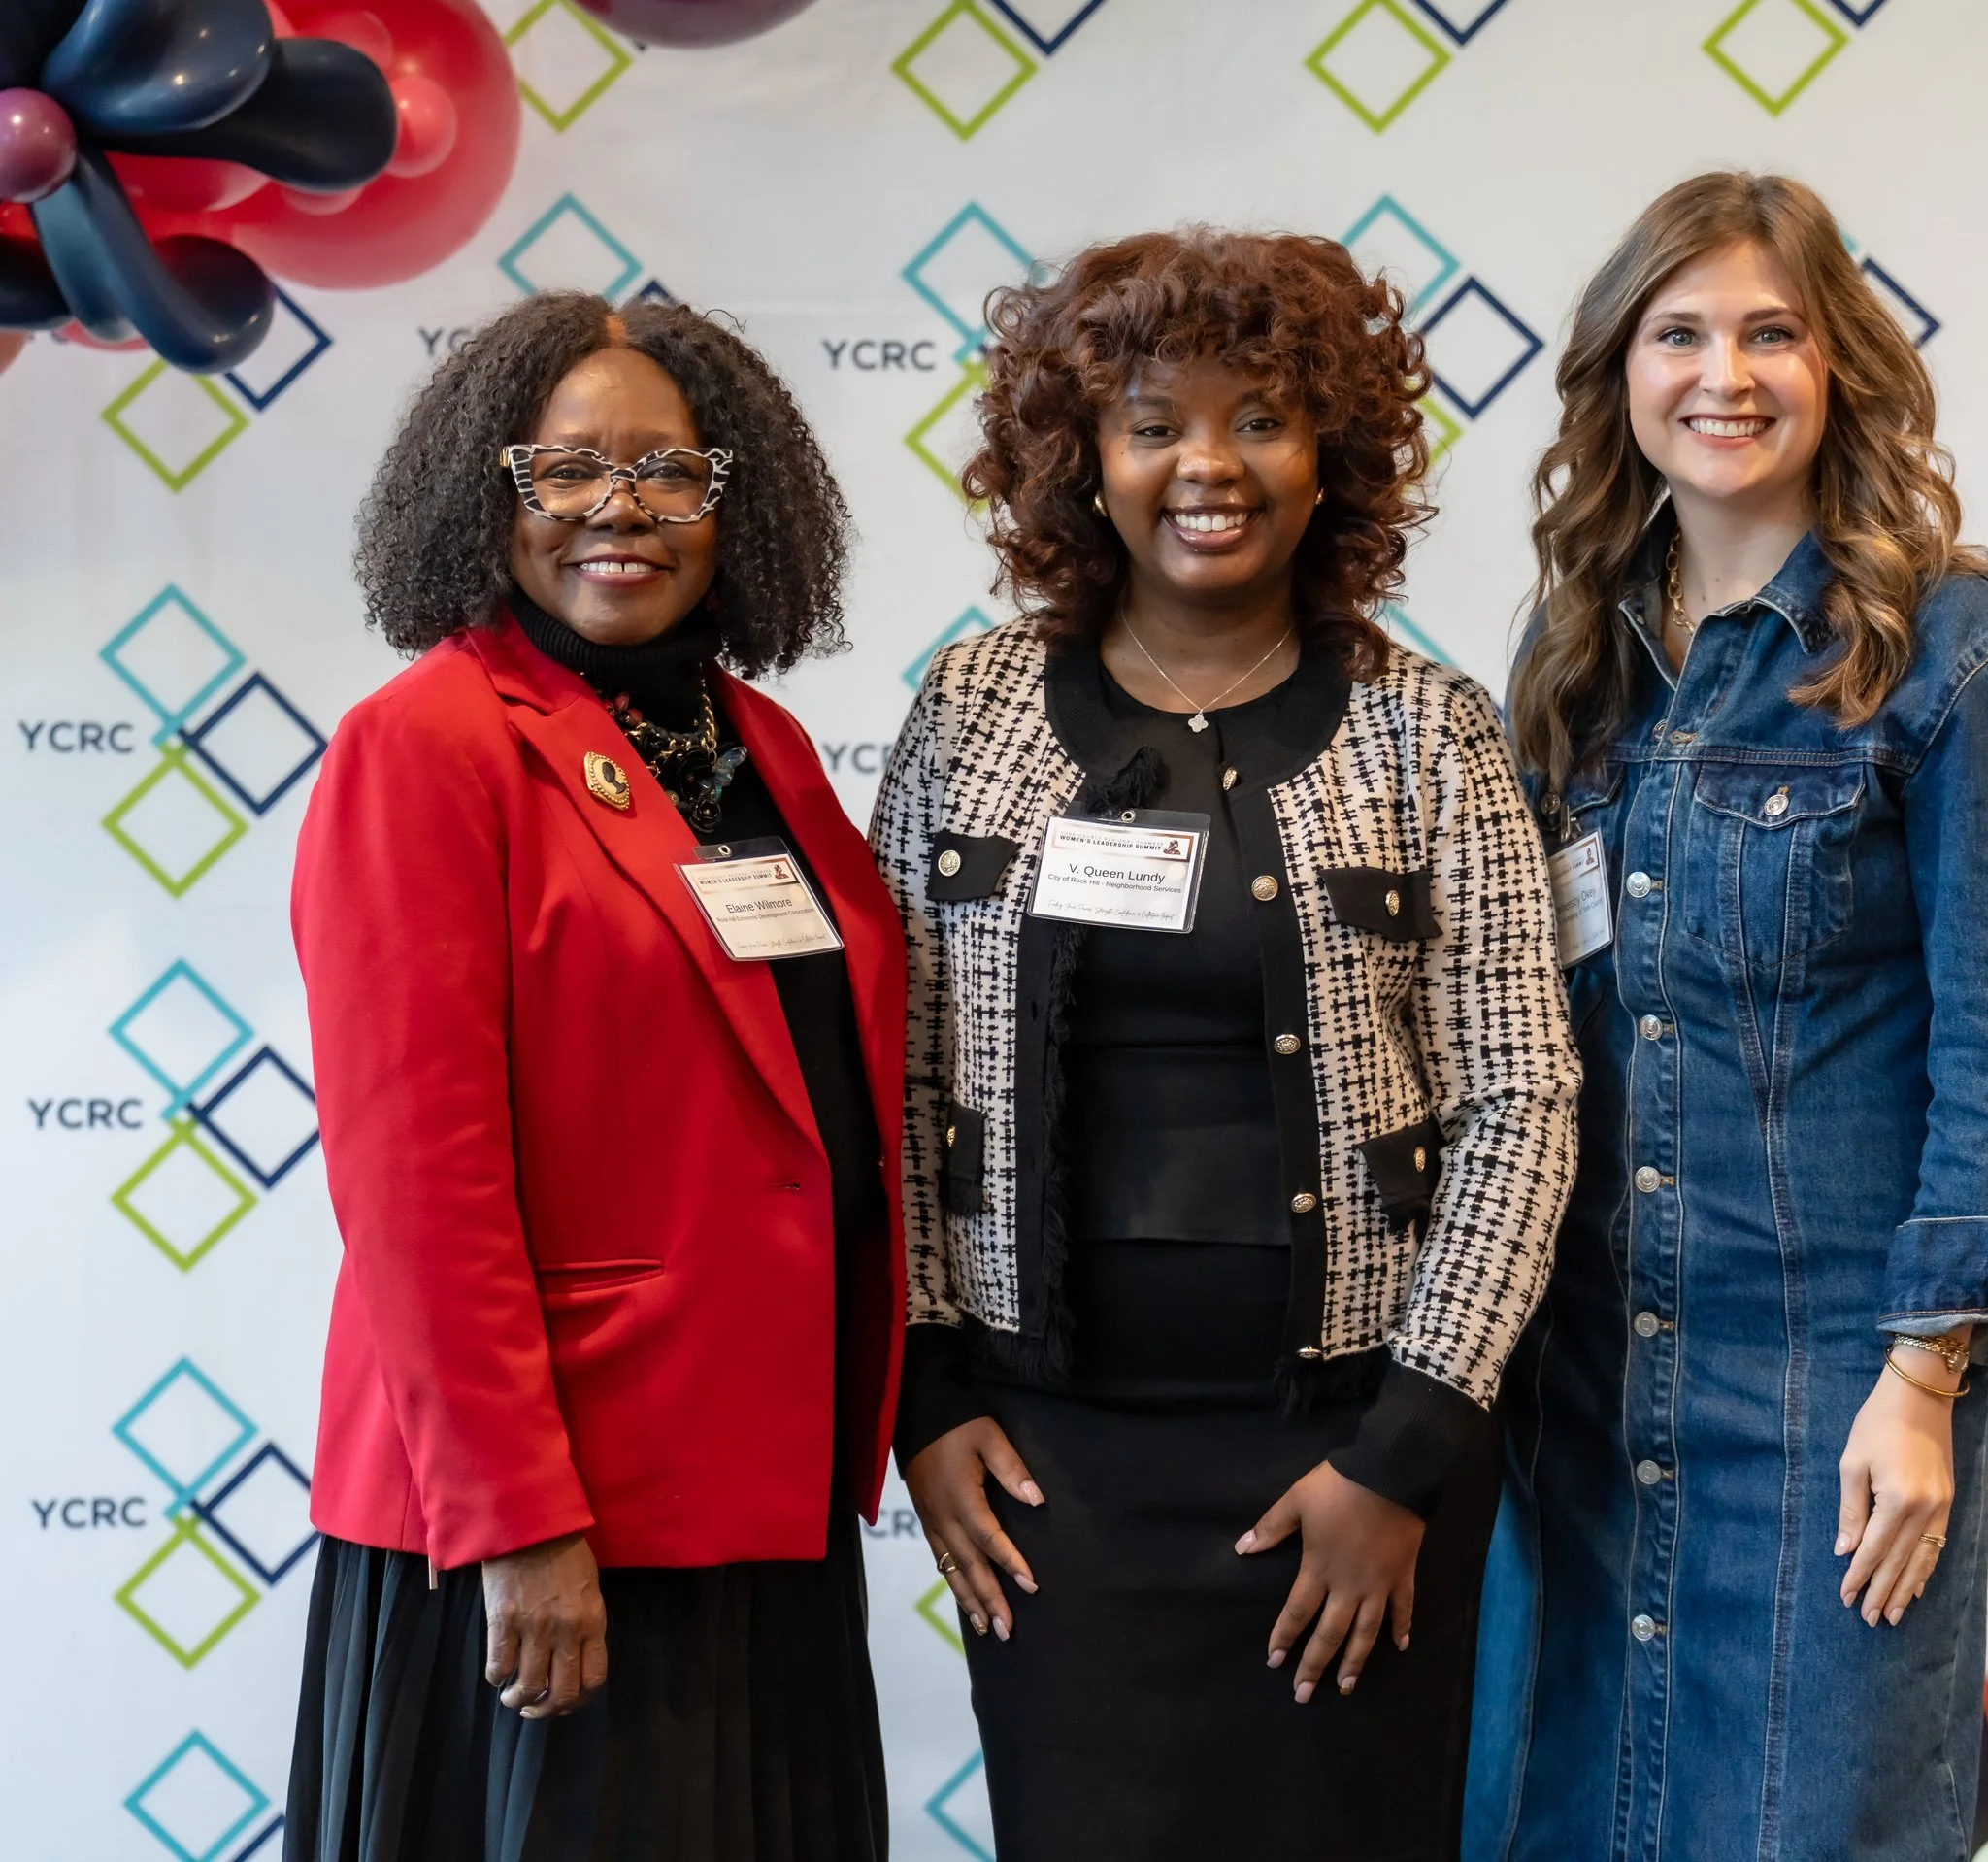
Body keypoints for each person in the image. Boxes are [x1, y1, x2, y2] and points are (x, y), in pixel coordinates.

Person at [871, 229, 1578, 1862]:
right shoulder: (969, 710)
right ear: (1082, 461)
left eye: (1260, 415)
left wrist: (1403, 1453)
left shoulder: (1429, 726)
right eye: (1150, 420)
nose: (1207, 463)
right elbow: (896, 1078)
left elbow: (1520, 1099)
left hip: (1351, 1464)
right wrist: (924, 1394)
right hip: (1053, 1485)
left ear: (1332, 449)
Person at [1466, 172, 1988, 1862]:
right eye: (1678, 333)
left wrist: (1926, 1373)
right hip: (1592, 1379)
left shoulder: (1962, 655)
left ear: (1840, 369)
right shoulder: (1573, 655)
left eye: (1770, 332)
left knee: (1817, 1824)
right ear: (1620, 374)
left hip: (1841, 1384)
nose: (1721, 374)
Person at [282, 293, 903, 1862]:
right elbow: (416, 1185)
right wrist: (521, 1522)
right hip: (556, 1520)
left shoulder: (759, 744)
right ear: (487, 498)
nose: (618, 509)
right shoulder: (426, 745)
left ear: (731, 501)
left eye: (669, 471)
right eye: (564, 470)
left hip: (756, 1492)